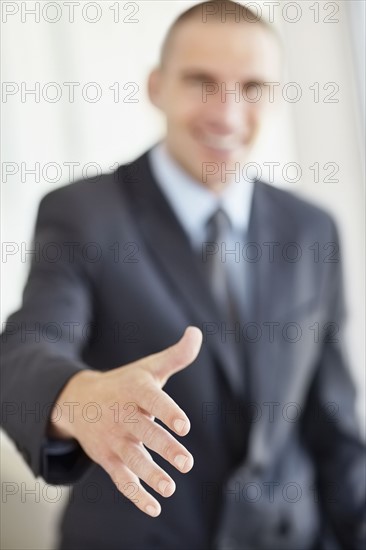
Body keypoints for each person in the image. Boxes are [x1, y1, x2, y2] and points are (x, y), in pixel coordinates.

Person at [1, 1, 365, 548]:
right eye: (202, 82)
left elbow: (333, 425)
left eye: (252, 88)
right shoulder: (83, 213)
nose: (227, 112)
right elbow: (25, 347)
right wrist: (78, 395)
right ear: (156, 87)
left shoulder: (311, 230)